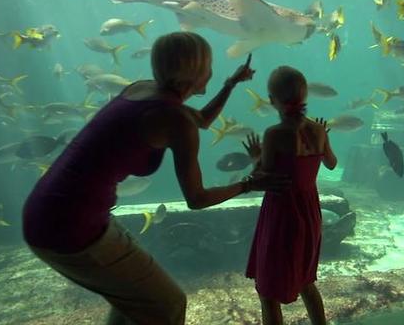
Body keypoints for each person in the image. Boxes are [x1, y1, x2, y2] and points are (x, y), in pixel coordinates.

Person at [22, 31, 289, 325]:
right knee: (169, 304)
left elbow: (199, 120)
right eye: (209, 65)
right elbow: (197, 199)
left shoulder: (142, 90)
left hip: (48, 209)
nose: (212, 72)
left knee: (132, 304)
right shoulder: (175, 119)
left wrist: (230, 84)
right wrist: (249, 184)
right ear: (197, 71)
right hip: (71, 226)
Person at [243, 65, 338, 325]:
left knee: (268, 292)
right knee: (307, 280)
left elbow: (264, 176)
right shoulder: (319, 131)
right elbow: (331, 163)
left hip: (281, 215)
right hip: (309, 214)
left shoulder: (274, 135)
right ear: (305, 96)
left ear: (273, 100)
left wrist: (255, 158)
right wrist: (324, 141)